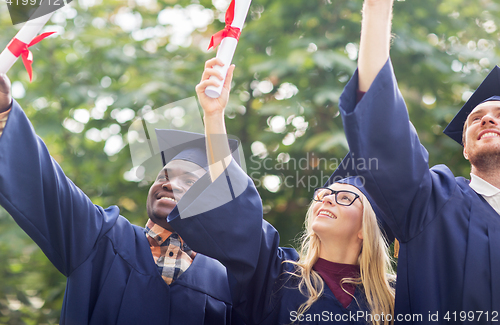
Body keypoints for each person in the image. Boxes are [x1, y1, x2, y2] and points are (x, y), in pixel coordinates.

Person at [165, 58, 396, 325]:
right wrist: (214, 115)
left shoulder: (393, 299)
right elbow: (235, 205)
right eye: (323, 195)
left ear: (365, 229)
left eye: (344, 198)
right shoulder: (277, 277)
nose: (328, 199)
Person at [0, 72, 244, 324]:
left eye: (189, 181)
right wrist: (4, 112)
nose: (169, 184)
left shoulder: (227, 284)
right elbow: (49, 187)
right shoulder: (102, 239)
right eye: (164, 175)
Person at [337, 0, 500, 323]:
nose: (486, 119)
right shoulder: (433, 201)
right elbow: (385, 131)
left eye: (499, 113)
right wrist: (377, 5)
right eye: (475, 117)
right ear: (465, 148)